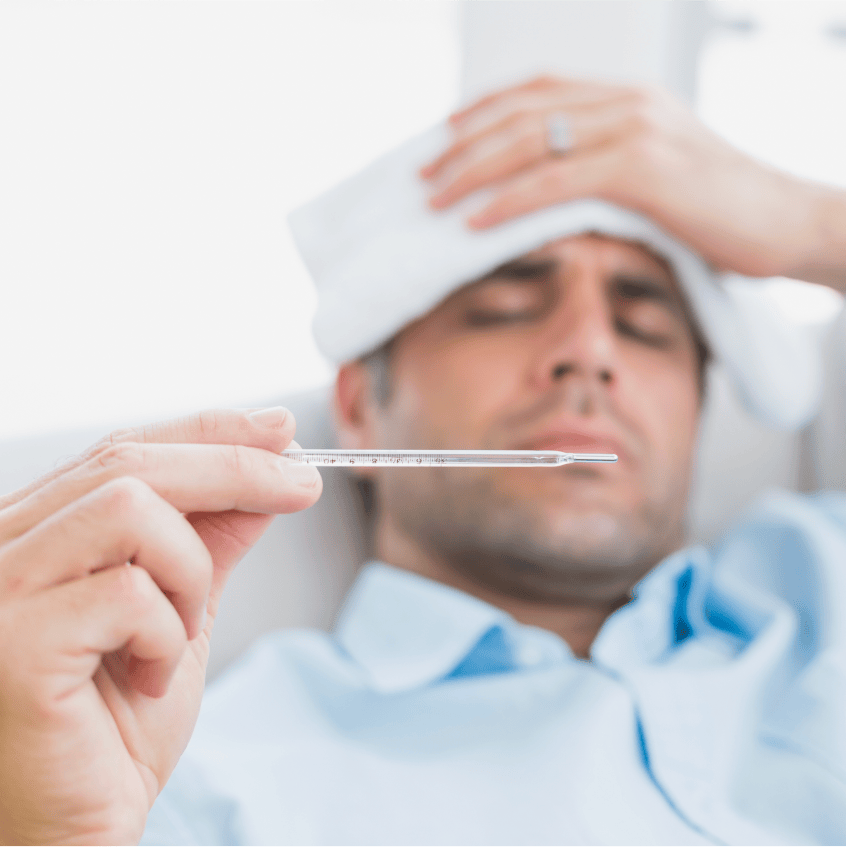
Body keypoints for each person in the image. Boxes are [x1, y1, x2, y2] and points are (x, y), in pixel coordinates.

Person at [0, 76, 845, 846]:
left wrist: (812, 227)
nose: (589, 350)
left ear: (701, 412)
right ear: (362, 408)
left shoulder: (819, 580)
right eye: (507, 307)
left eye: (646, 324)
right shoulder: (178, 776)